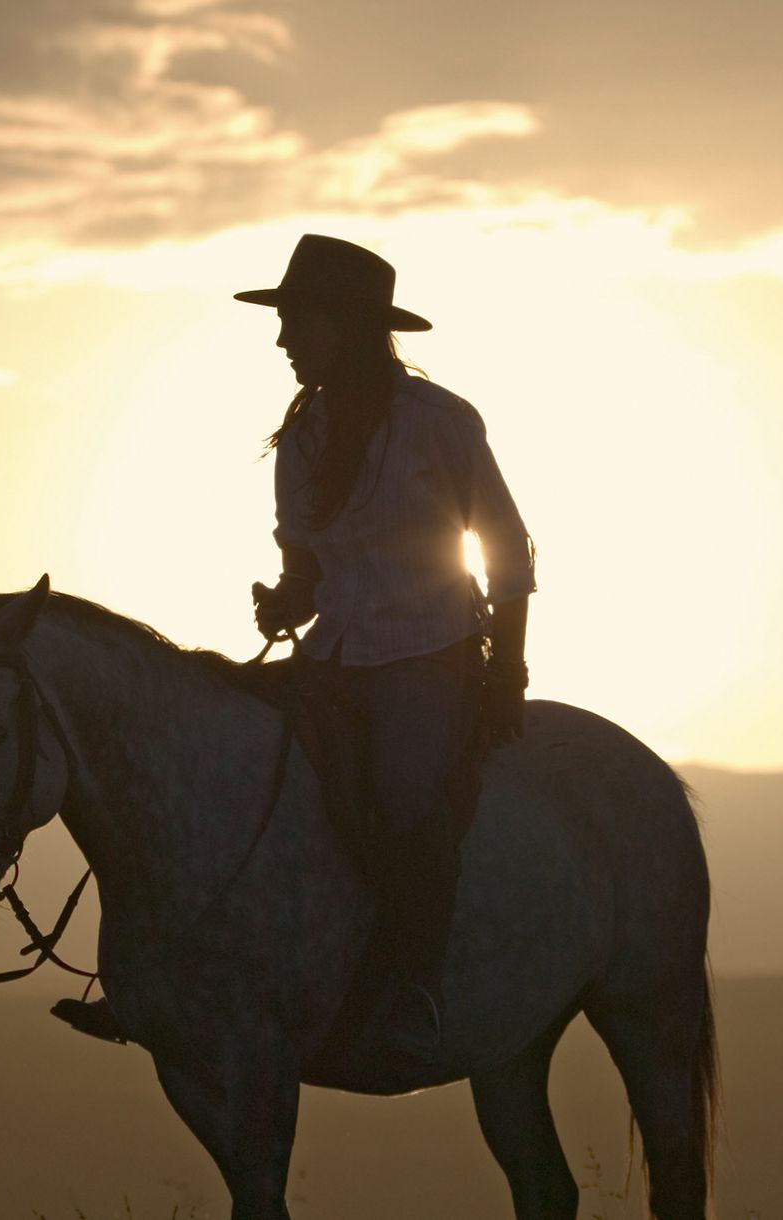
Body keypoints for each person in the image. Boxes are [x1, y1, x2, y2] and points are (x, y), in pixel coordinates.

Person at [241, 234, 535, 1062]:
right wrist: (285, 602)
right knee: (242, 775)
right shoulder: (300, 439)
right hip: (333, 655)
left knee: (406, 803)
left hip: (429, 653)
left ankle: (415, 987)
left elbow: (507, 552)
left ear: (346, 325)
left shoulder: (440, 423)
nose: (283, 340)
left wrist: (504, 674)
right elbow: (305, 571)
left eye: (297, 321)